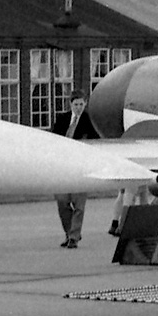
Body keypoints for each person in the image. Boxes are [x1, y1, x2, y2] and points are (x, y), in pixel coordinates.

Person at [51, 91, 99, 248]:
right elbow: (53, 141)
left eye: (81, 104)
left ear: (85, 104)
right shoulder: (62, 119)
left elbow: (97, 142)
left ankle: (74, 237)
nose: (78, 108)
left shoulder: (90, 121)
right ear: (70, 104)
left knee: (79, 205)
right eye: (75, 104)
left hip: (80, 167)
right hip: (62, 167)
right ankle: (69, 232)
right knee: (62, 203)